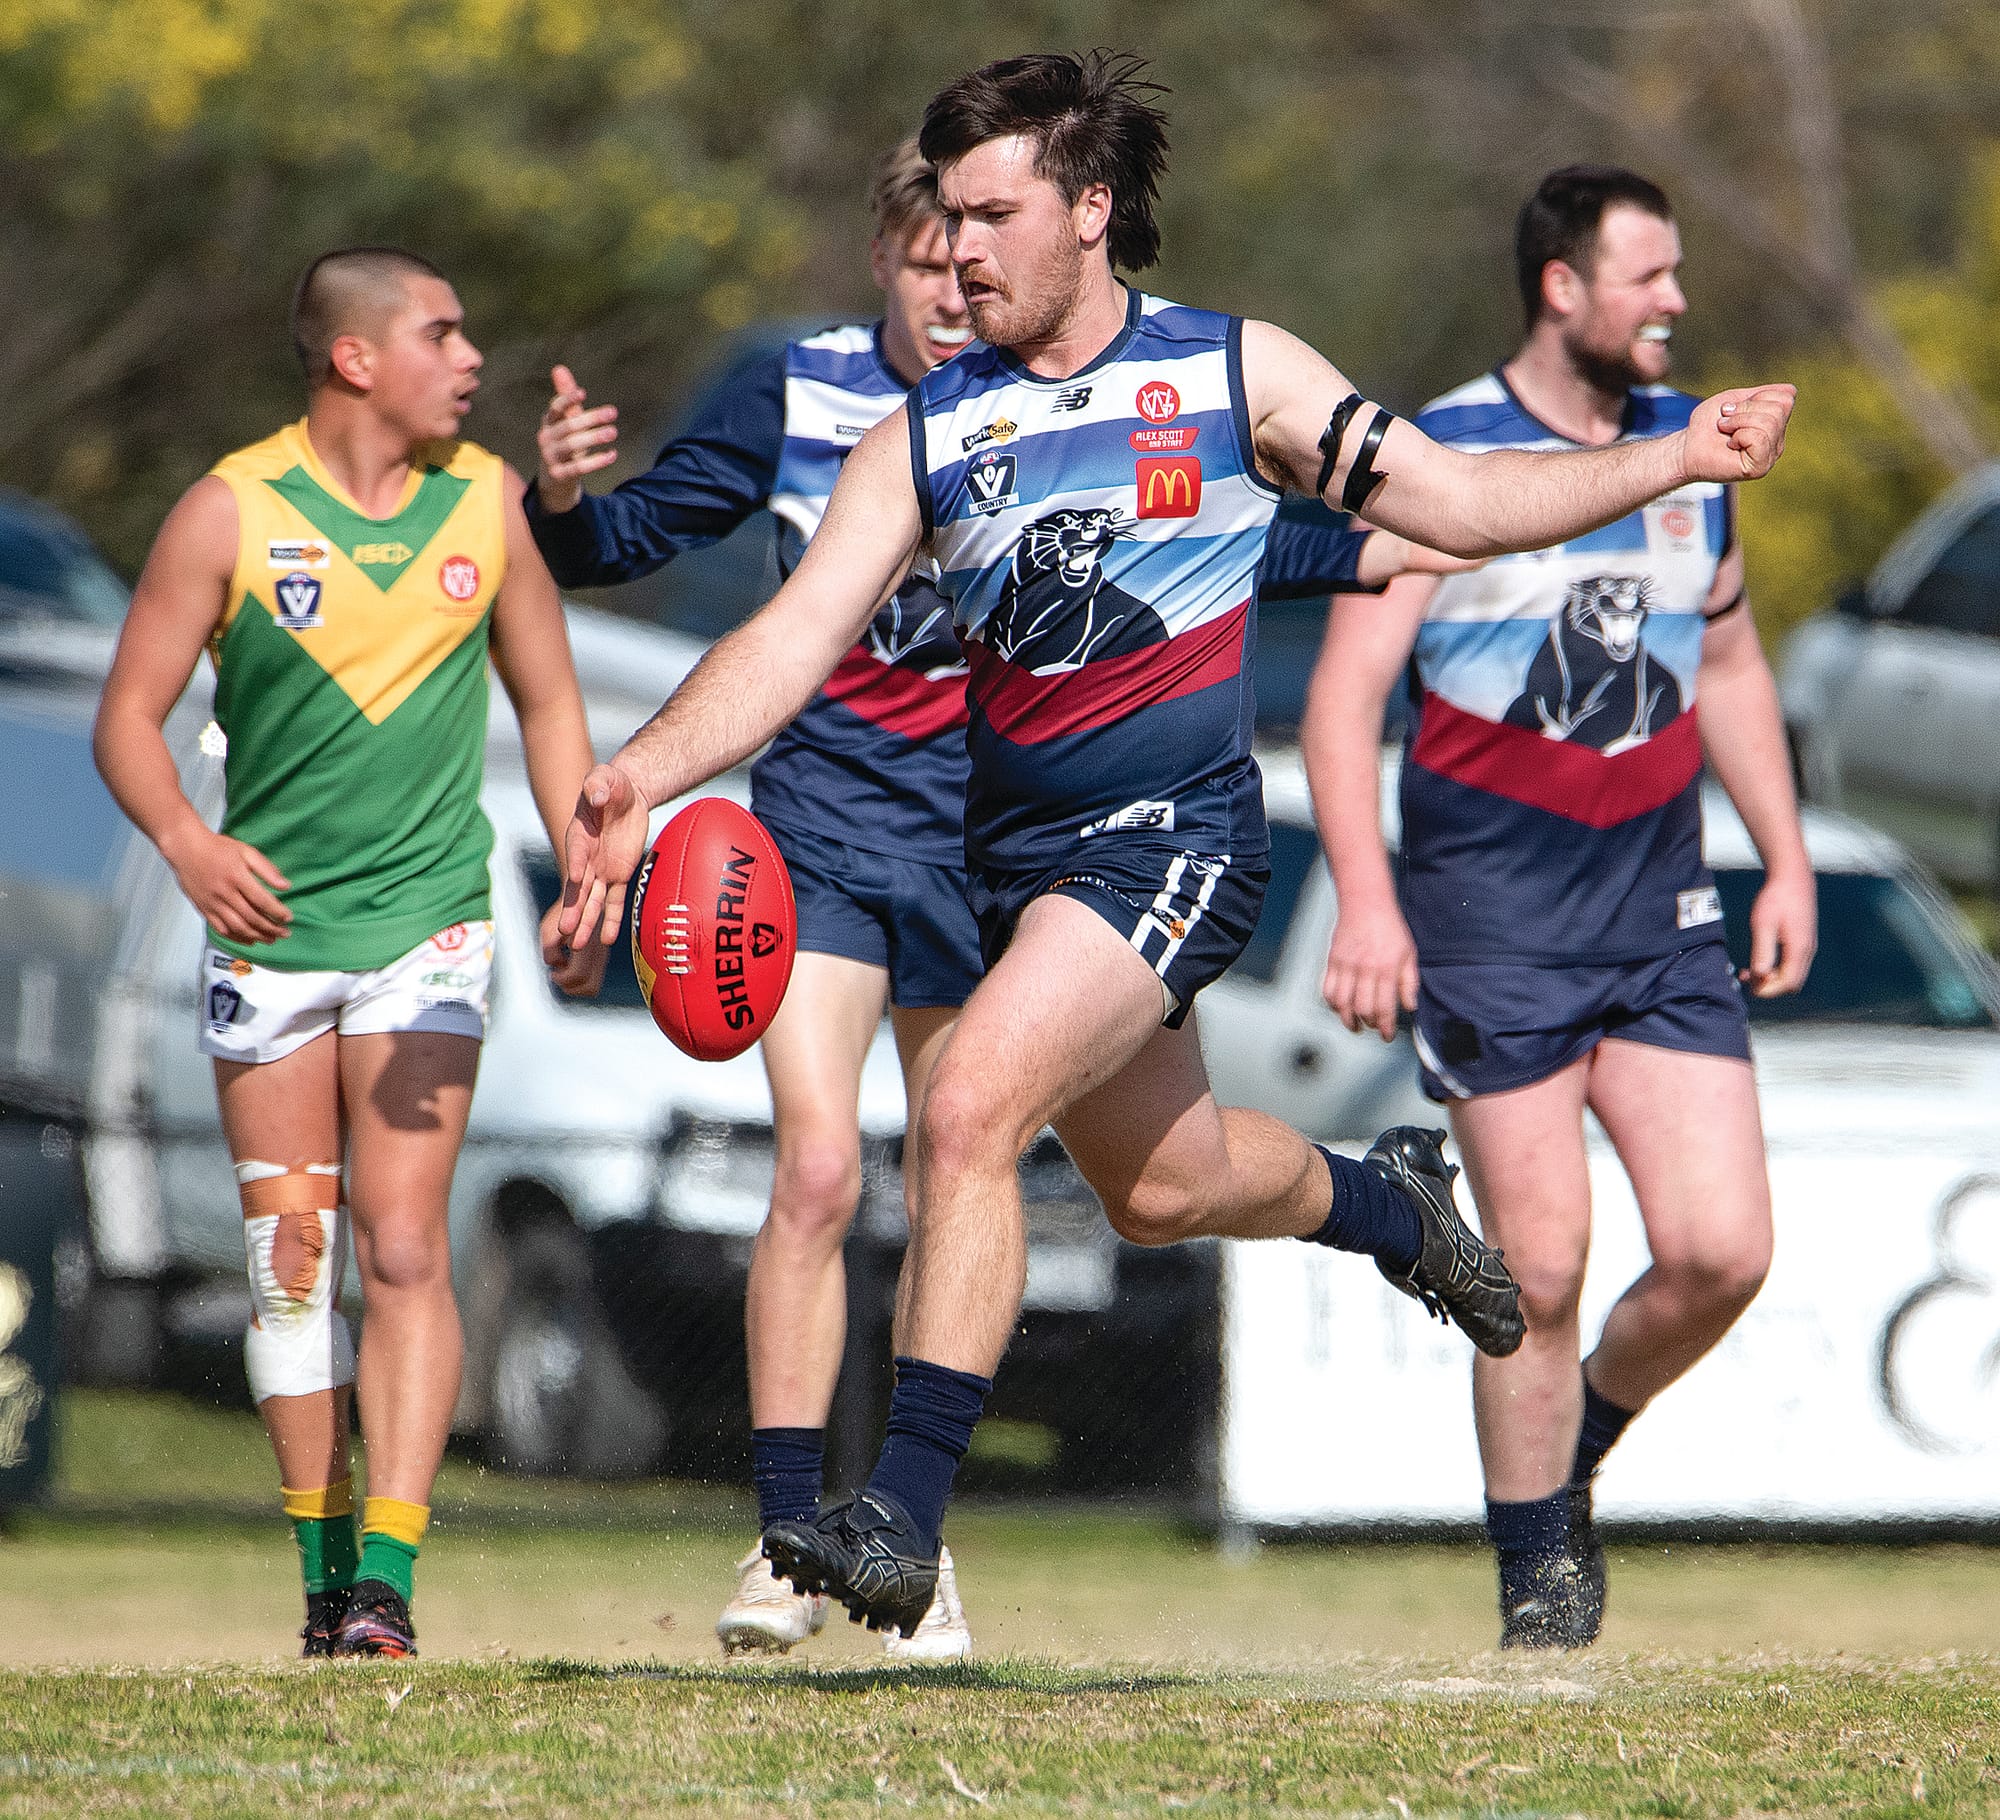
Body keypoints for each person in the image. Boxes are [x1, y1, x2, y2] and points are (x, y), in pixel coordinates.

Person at [558, 53, 1794, 1640]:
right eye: (946, 218)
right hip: (1024, 872)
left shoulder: (1229, 374)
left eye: (994, 214)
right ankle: (1390, 1204)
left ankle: (901, 1523)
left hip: (1177, 842)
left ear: (1088, 211)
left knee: (970, 1107)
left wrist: (1678, 459)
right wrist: (642, 772)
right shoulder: (927, 433)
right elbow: (791, 639)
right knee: (1167, 1187)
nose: (963, 254)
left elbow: (1469, 502)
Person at [528, 137, 1447, 1661]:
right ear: (886, 262)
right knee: (823, 1174)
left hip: (980, 825)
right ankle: (792, 1539)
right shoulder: (815, 394)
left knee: (1037, 1164)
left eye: (974, 244)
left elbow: (1197, 538)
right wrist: (569, 524)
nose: (954, 284)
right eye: (927, 251)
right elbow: (654, 538)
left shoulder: (1048, 395)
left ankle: (910, 1531)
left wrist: (1365, 547)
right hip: (819, 819)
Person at [1305, 165, 1816, 1648]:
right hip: (1488, 920)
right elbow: (1345, 708)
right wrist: (1367, 905)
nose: (1674, 303)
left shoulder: (1691, 450)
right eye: (1648, 276)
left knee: (1724, 1252)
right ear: (1562, 287)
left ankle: (1572, 1447)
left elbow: (1727, 668)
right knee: (1540, 1258)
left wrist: (1781, 855)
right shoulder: (1437, 455)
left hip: (1660, 913)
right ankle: (1539, 1591)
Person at [94, 247, 603, 1659]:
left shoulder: (489, 504)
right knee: (290, 1261)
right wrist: (194, 849)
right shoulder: (228, 513)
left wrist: (586, 862)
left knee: (401, 1243)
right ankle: (321, 1576)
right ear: (356, 359)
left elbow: (554, 702)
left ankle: (387, 1581)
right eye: (443, 333)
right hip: (269, 935)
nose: (472, 358)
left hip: (427, 924)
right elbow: (128, 721)